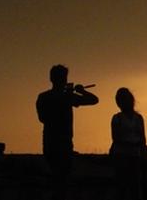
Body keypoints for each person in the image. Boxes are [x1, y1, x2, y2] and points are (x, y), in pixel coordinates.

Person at [36, 64, 99, 200]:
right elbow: (94, 100)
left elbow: (42, 118)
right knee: (63, 183)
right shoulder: (67, 97)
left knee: (56, 181)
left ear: (51, 79)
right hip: (63, 145)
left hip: (50, 144)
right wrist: (81, 91)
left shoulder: (43, 97)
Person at [110, 87, 147, 200]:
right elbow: (115, 138)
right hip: (122, 156)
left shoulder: (138, 118)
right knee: (122, 188)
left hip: (135, 156)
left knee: (135, 189)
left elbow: (143, 137)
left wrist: (142, 153)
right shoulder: (117, 118)